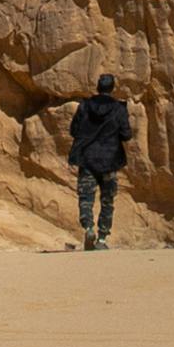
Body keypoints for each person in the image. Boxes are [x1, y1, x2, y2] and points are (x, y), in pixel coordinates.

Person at [67, 75, 135, 250]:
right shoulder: (118, 109)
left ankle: (88, 227)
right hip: (110, 160)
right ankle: (102, 239)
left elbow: (74, 130)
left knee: (86, 197)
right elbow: (126, 134)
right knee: (107, 200)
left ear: (97, 87)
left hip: (87, 159)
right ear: (112, 88)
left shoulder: (84, 106)